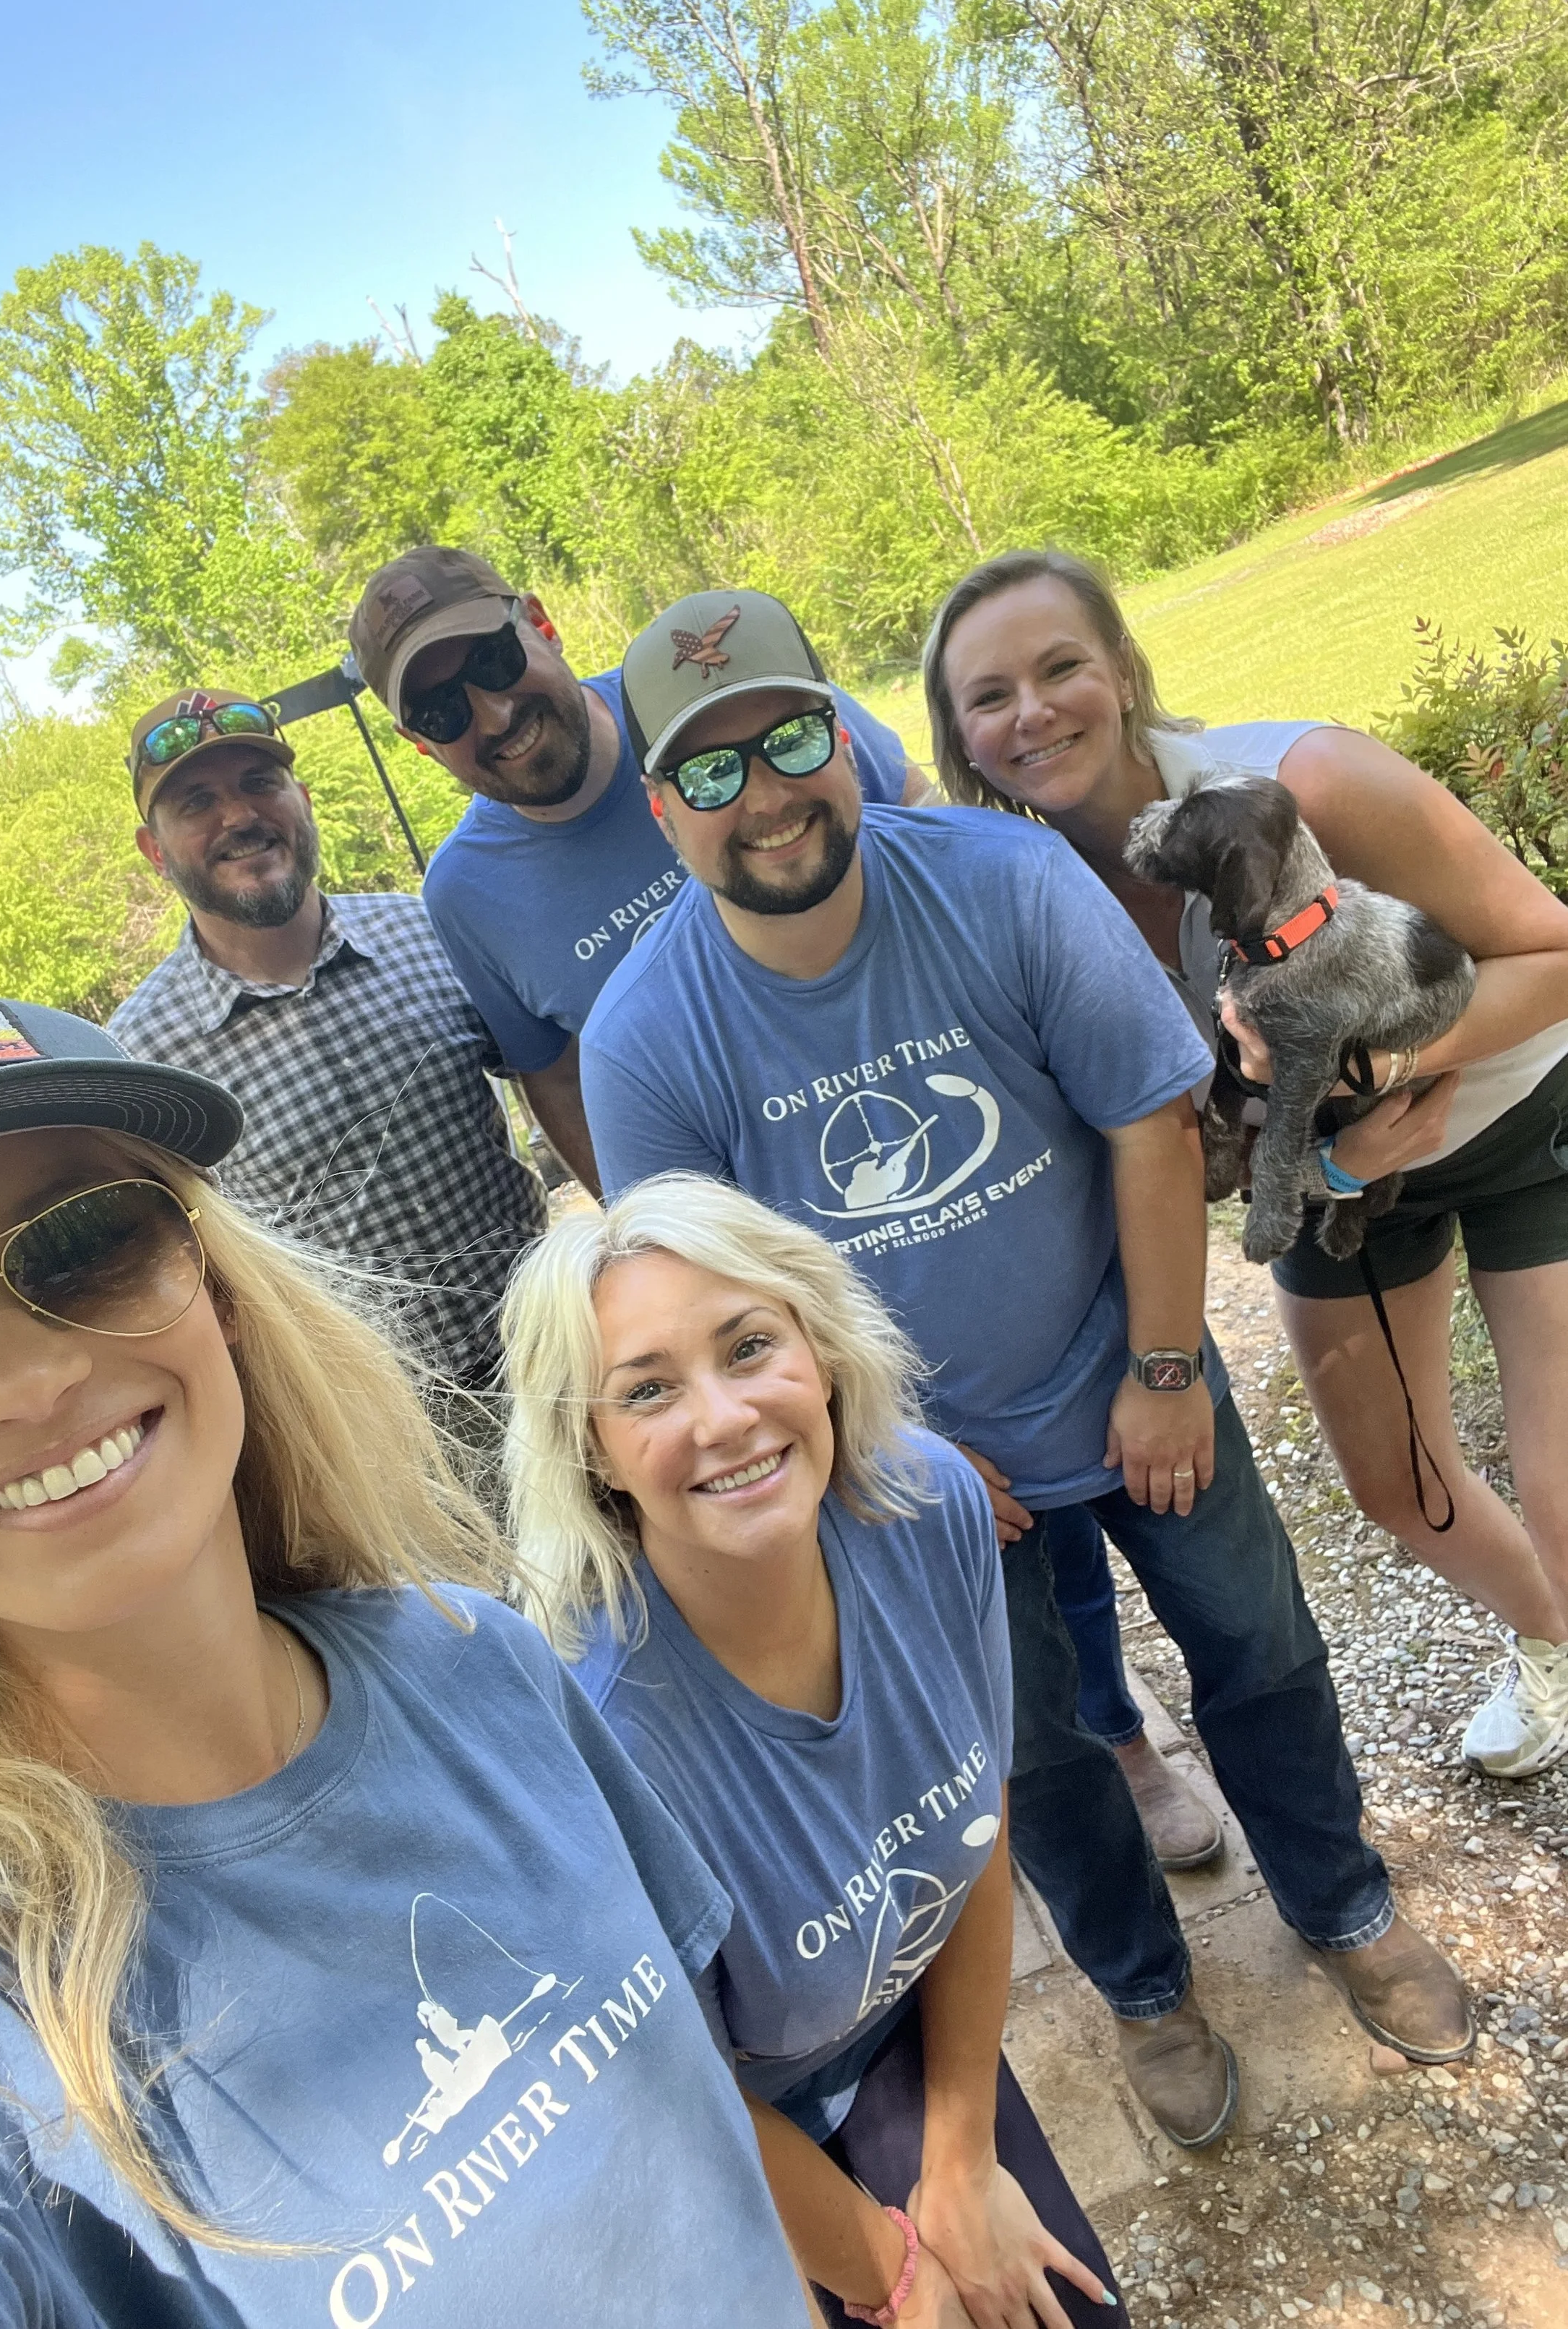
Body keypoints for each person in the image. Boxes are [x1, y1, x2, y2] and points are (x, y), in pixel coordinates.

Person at [0, 986, 811, 2327]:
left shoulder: (477, 1659)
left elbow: (699, 2113)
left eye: (84, 1244)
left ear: (221, 1290)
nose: (23, 1384)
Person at [576, 587, 1472, 2150]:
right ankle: (1142, 1991)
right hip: (912, 1466)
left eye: (791, 738)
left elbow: (1140, 1115)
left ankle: (1343, 1908)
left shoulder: (1000, 881)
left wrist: (1168, 1364)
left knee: (1257, 1650)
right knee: (1027, 1750)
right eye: (709, 772)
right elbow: (707, 1304)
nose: (766, 794)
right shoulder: (647, 1034)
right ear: (662, 812)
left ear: (846, 740)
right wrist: (889, 1458)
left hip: (1125, 1371)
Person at [924, 549, 1568, 1779]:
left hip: (1521, 1114)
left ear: (1121, 666)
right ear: (962, 739)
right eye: (990, 694)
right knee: (1397, 1485)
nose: (1033, 709)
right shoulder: (1033, 904)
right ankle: (1549, 1635)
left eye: (1061, 665)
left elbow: (1553, 951)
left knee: (1562, 1483)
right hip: (1344, 1185)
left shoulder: (1304, 781)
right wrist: (1329, 1151)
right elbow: (1187, 1144)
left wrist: (1373, 1066)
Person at [502, 1173, 1125, 2329]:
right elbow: (674, 2089)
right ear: (592, 1453)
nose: (727, 1416)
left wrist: (960, 2161)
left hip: (893, 2024)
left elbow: (977, 1821)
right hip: (717, 2118)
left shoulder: (925, 1505)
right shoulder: (599, 1733)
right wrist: (890, 2276)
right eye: (647, 1390)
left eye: (748, 1346)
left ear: (821, 1348)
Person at [348, 549, 934, 1193]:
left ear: (541, 622)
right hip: (760, 1216)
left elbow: (921, 820)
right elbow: (557, 1078)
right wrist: (651, 1239)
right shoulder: (465, 895)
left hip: (929, 1093)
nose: (493, 714)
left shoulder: (708, 698)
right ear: (418, 742)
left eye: (495, 659)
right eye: (442, 713)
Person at [108, 685, 547, 1427]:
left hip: (551, 1361)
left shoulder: (432, 932)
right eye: (195, 803)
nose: (239, 816)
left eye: (259, 783)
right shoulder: (139, 1061)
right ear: (154, 851)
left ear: (303, 800)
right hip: (373, 1438)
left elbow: (558, 1081)